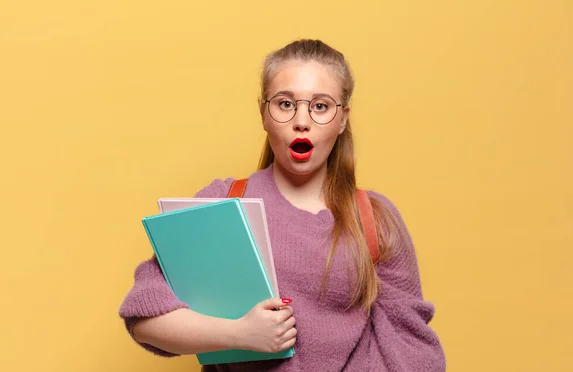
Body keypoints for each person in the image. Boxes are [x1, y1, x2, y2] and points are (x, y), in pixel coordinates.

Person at [118, 38, 446, 371]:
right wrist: (239, 334)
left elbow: (412, 348)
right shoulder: (222, 204)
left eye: (320, 106)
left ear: (343, 119)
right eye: (285, 104)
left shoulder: (375, 219)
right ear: (263, 113)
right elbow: (145, 315)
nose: (301, 121)